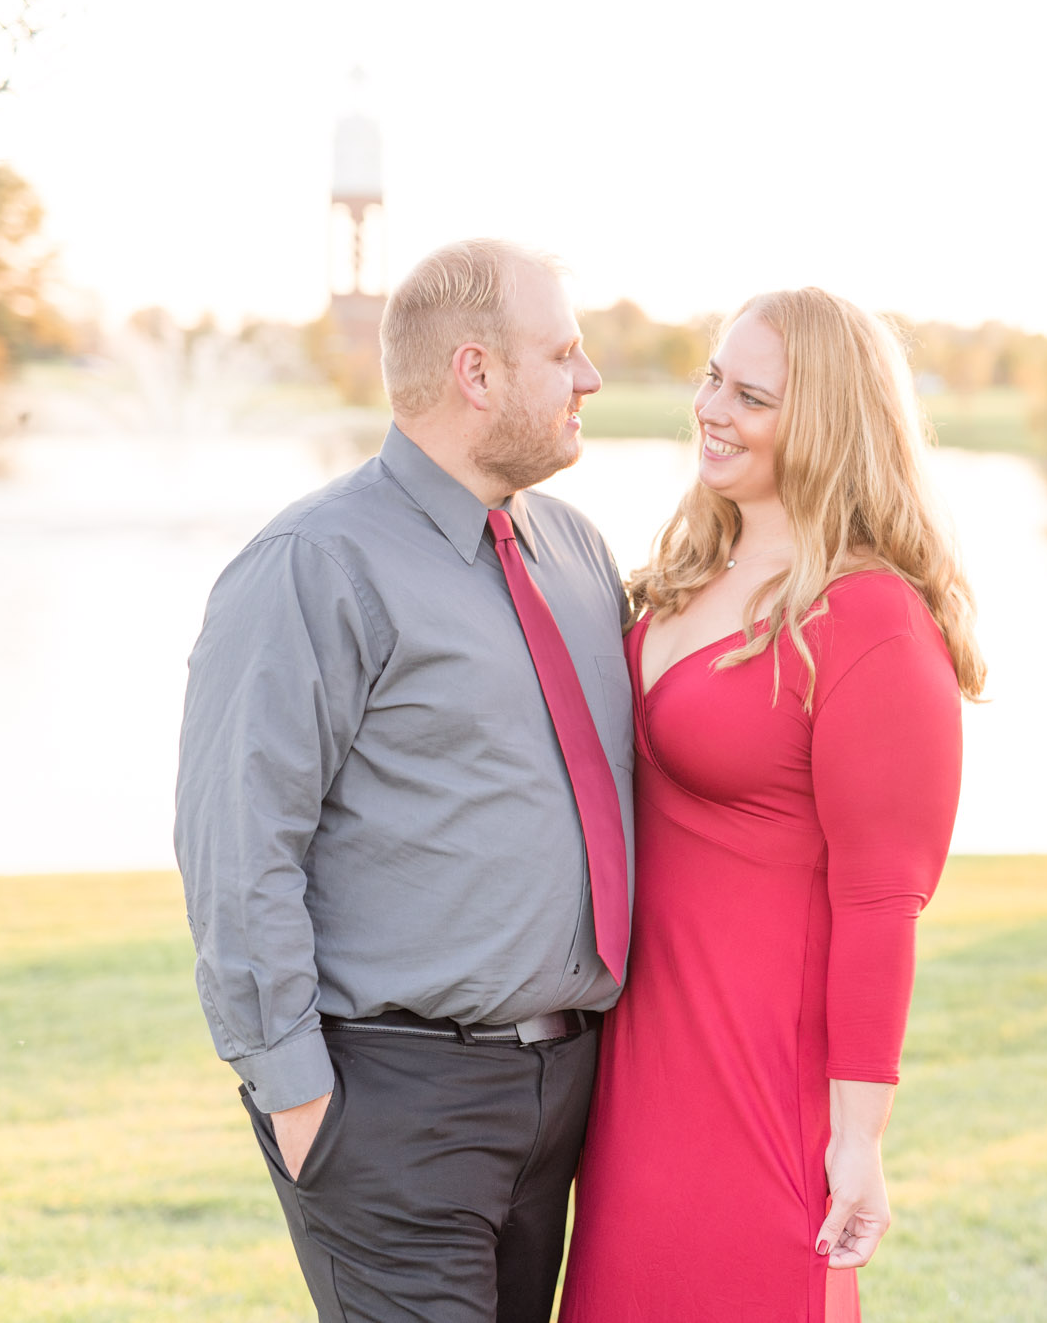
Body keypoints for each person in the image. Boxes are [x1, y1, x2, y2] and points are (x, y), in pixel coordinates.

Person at [175, 238, 634, 1323]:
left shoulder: (575, 550)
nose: (591, 377)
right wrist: (300, 1097)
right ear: (476, 374)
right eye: (563, 351)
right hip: (393, 1102)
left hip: (570, 1092)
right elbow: (239, 845)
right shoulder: (313, 564)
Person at [557, 288, 986, 1322]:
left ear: (828, 424)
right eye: (712, 377)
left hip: (758, 1086)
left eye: (751, 394)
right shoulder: (692, 568)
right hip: (634, 1073)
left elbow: (881, 906)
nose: (713, 407)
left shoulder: (873, 623)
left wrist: (856, 1138)